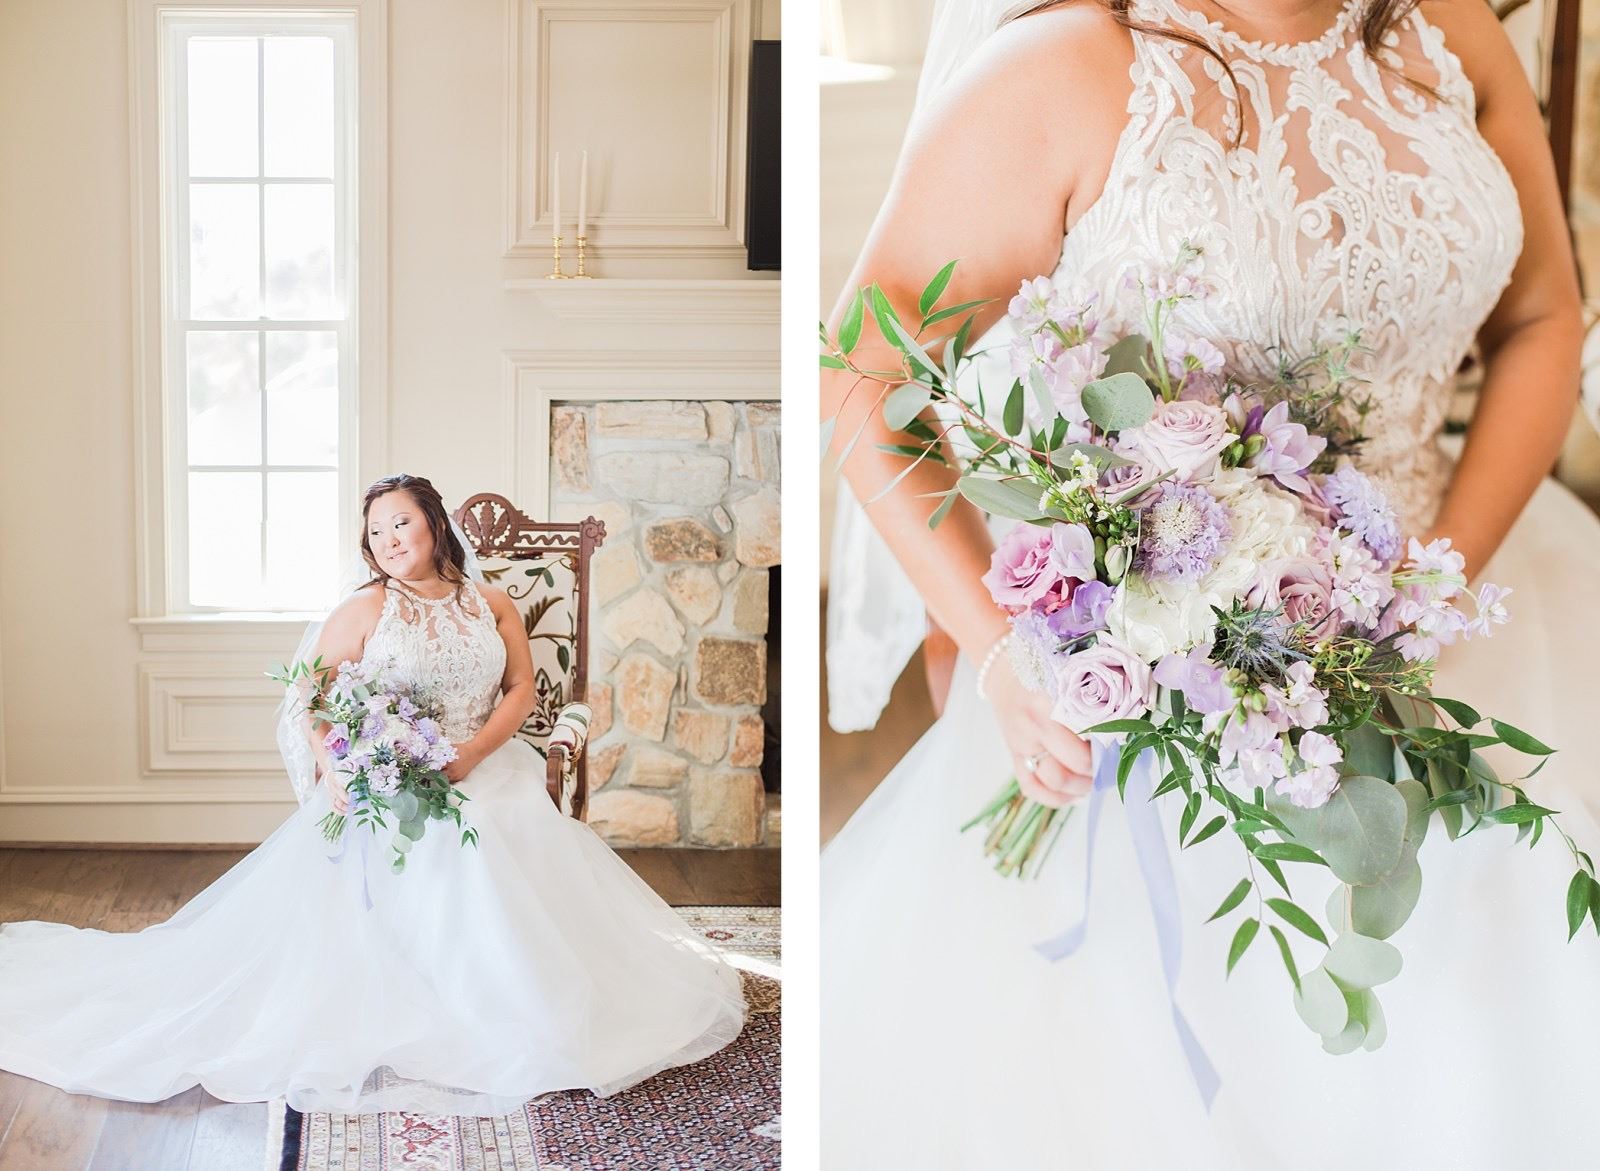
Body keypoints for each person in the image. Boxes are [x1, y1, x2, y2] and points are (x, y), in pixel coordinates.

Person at [820, 0, 1600, 1166]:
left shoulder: (1448, 34)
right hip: (1169, 687)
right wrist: (994, 649)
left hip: (1471, 587)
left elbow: (1545, 318)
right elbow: (862, 375)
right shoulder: (1064, 71)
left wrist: (1430, 584)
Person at [0, 474, 745, 1116]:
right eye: (376, 529)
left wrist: (472, 751)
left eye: (402, 521)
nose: (389, 536)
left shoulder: (492, 603)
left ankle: (536, 1000)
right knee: (455, 840)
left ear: (434, 523)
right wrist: (342, 768)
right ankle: (455, 1007)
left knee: (505, 822)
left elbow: (521, 688)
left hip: (483, 760)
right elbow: (311, 700)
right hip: (390, 777)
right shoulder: (364, 609)